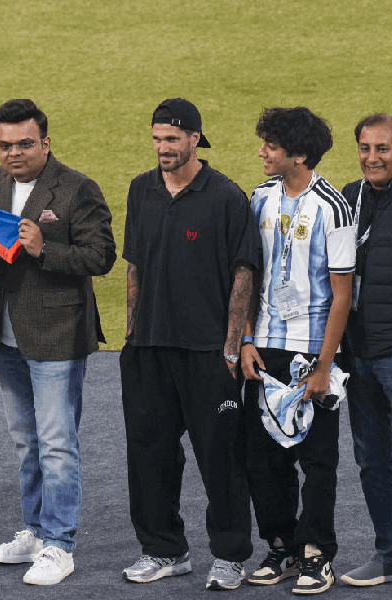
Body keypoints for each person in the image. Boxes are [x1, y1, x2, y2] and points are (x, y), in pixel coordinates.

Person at [119, 98, 258, 591]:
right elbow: (134, 262)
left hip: (206, 353)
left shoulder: (225, 197)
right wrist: (133, 333)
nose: (162, 149)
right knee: (149, 453)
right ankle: (163, 549)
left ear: (195, 139)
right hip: (149, 350)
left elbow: (244, 271)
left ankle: (229, 555)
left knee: (219, 457)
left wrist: (230, 344)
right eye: (157, 139)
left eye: (172, 140)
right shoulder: (142, 190)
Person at [0, 98, 116, 586]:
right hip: (8, 332)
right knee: (26, 441)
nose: (14, 153)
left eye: (24, 144)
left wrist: (45, 248)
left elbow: (102, 255)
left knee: (57, 444)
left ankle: (61, 544)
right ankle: (36, 532)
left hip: (58, 335)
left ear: (46, 143)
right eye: (5, 145)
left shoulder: (78, 188)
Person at [239, 107, 354, 594]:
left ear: (299, 154)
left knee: (317, 461)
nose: (261, 152)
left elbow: (343, 294)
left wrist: (325, 367)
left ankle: (316, 555)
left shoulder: (334, 207)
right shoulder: (258, 198)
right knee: (264, 458)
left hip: (313, 352)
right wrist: (245, 339)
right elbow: (246, 276)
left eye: (270, 145)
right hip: (264, 349)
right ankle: (281, 546)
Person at [339, 113, 392, 594]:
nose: (373, 157)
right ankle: (389, 556)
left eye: (383, 149)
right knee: (371, 461)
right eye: (365, 148)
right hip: (358, 357)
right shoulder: (349, 198)